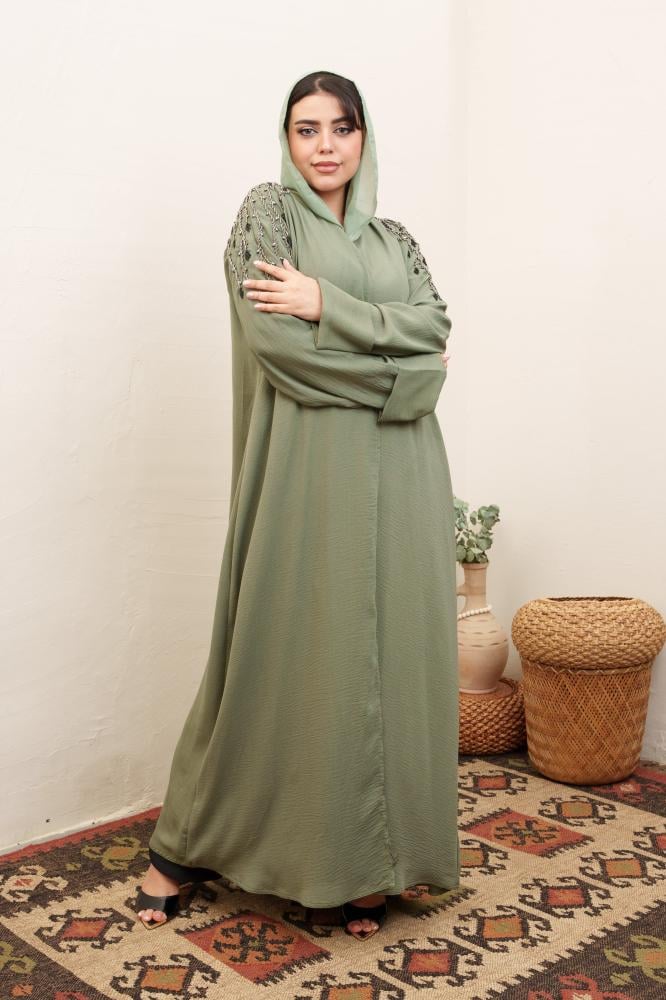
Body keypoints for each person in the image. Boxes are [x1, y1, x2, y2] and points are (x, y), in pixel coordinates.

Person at [134, 69, 460, 942]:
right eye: (306, 128)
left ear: (363, 137)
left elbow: (435, 326)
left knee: (392, 660)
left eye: (341, 127)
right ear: (286, 139)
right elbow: (283, 350)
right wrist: (406, 380)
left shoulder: (395, 238)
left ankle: (368, 865)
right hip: (305, 473)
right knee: (283, 653)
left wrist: (328, 303)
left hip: (407, 475)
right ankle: (189, 844)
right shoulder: (265, 218)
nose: (325, 146)